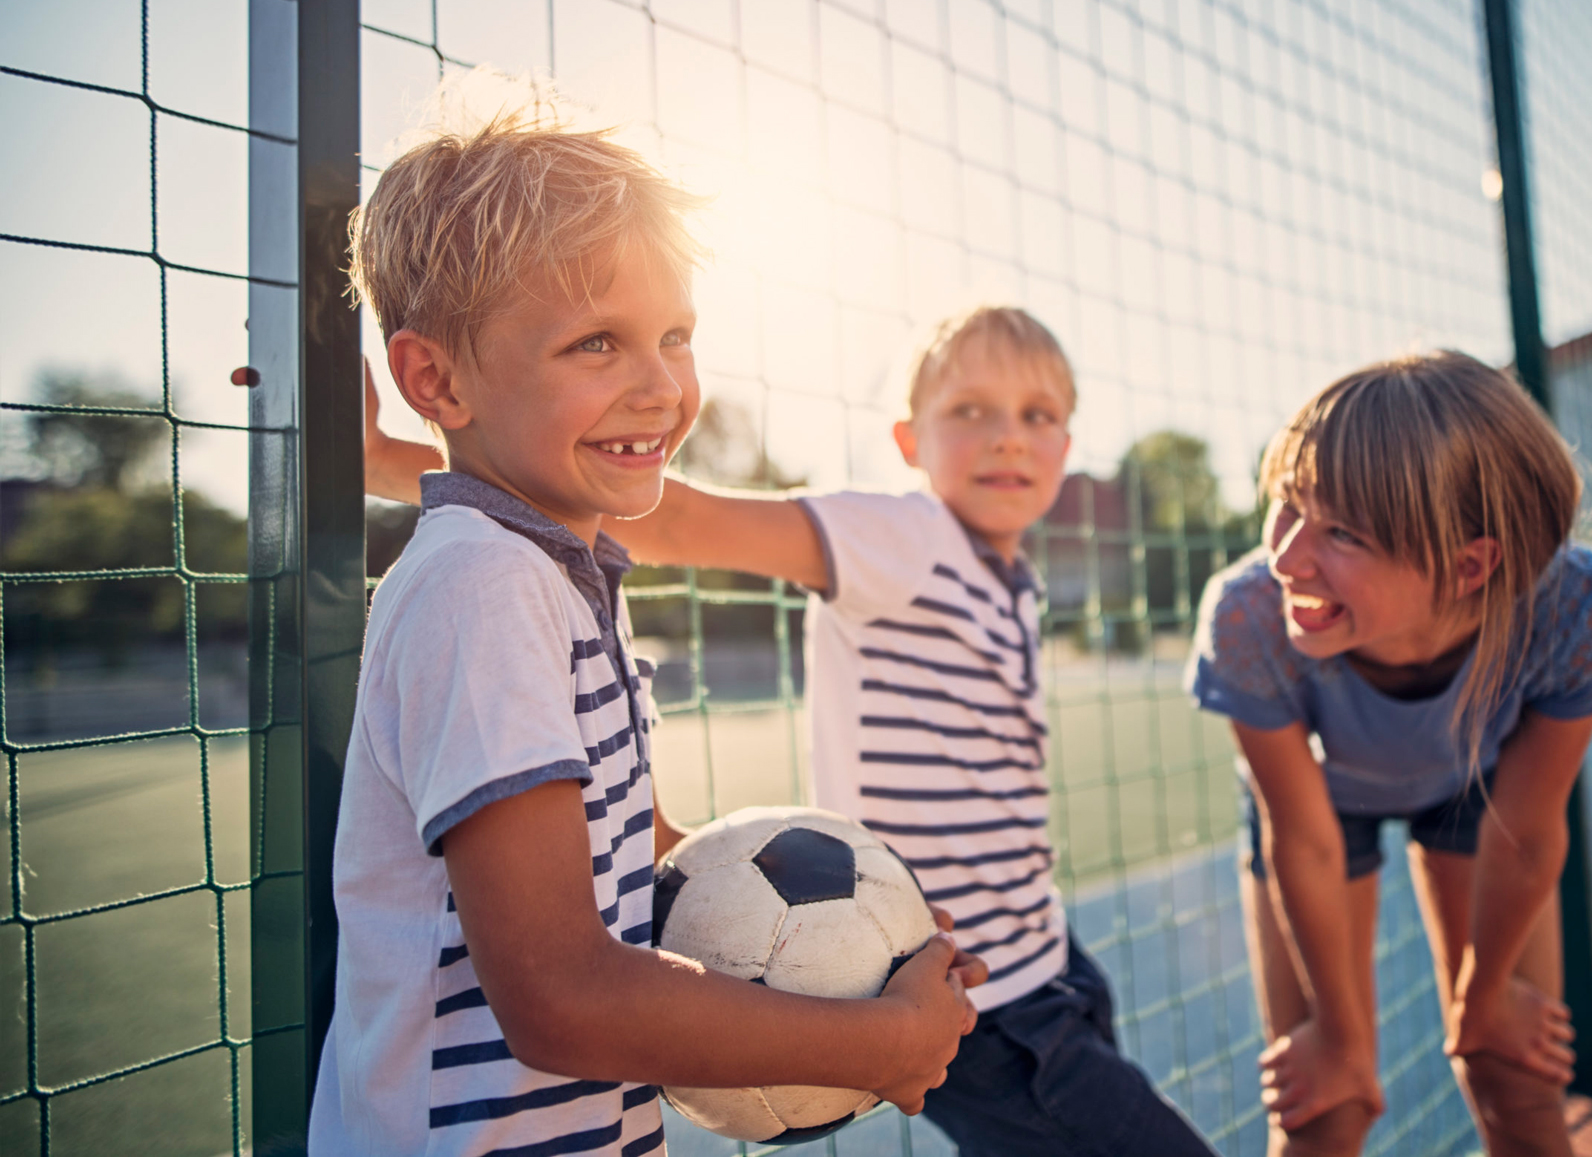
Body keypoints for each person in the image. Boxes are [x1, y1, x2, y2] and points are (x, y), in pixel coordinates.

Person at [365, 306, 1221, 1156]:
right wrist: (385, 460)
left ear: (1068, 448)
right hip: (979, 1007)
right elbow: (675, 519)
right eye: (971, 412)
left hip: (1046, 954)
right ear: (908, 441)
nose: (1008, 439)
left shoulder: (1015, 579)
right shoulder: (902, 536)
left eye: (1038, 417)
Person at [317, 104, 986, 1157]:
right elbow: (558, 992)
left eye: (674, 335)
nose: (661, 385)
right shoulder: (482, 585)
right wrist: (870, 1040)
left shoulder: (557, 570)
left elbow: (634, 860)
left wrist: (879, 950)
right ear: (435, 379)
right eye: (597, 342)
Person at [1186, 351, 1592, 1157]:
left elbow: (1528, 833)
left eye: (1342, 532)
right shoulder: (1248, 615)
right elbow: (1303, 838)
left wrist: (1487, 994)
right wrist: (1336, 1032)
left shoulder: (1580, 609)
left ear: (1471, 565)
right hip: (1317, 811)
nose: (1288, 557)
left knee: (1518, 1083)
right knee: (1321, 1113)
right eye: (1289, 505)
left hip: (1476, 791)